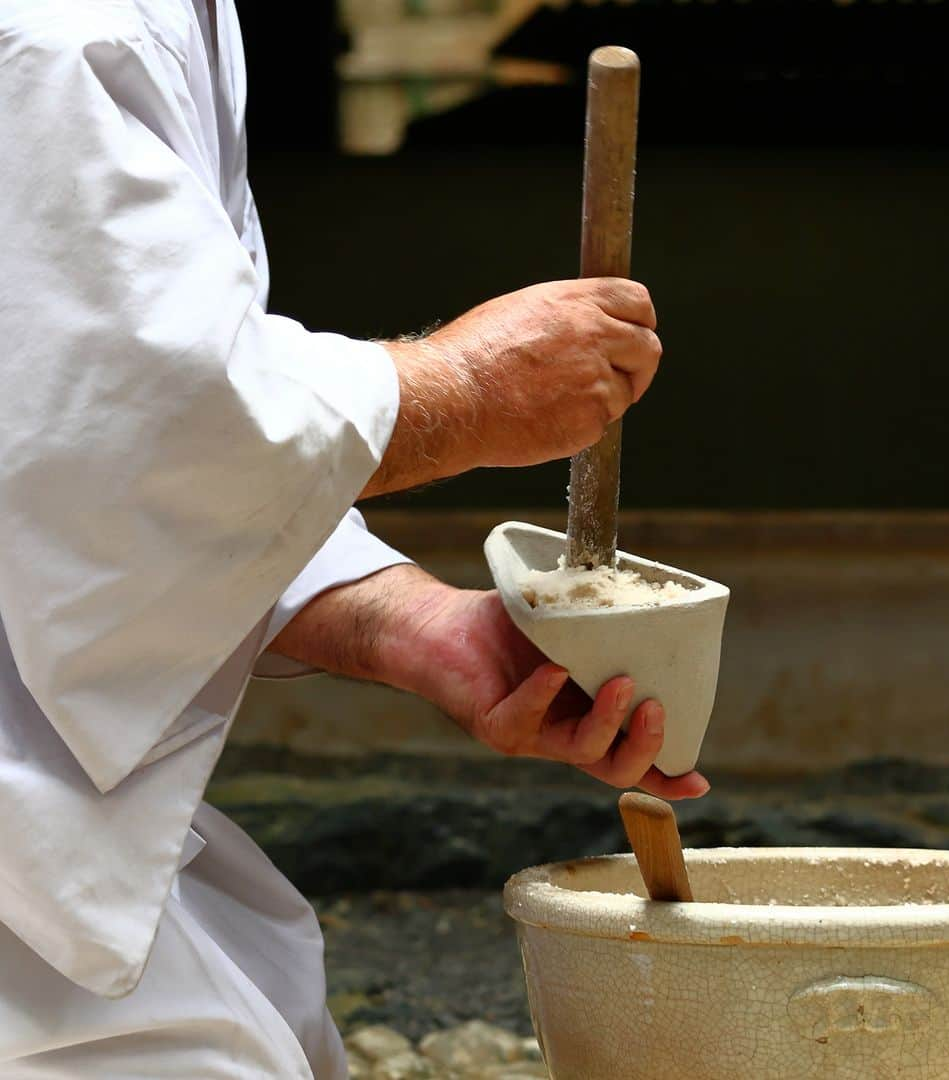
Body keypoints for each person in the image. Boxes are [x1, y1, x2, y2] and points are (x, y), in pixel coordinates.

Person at [0, 1, 709, 1076]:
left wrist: (416, 627)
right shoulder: (60, 28)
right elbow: (114, 426)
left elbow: (108, 453)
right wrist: (459, 389)